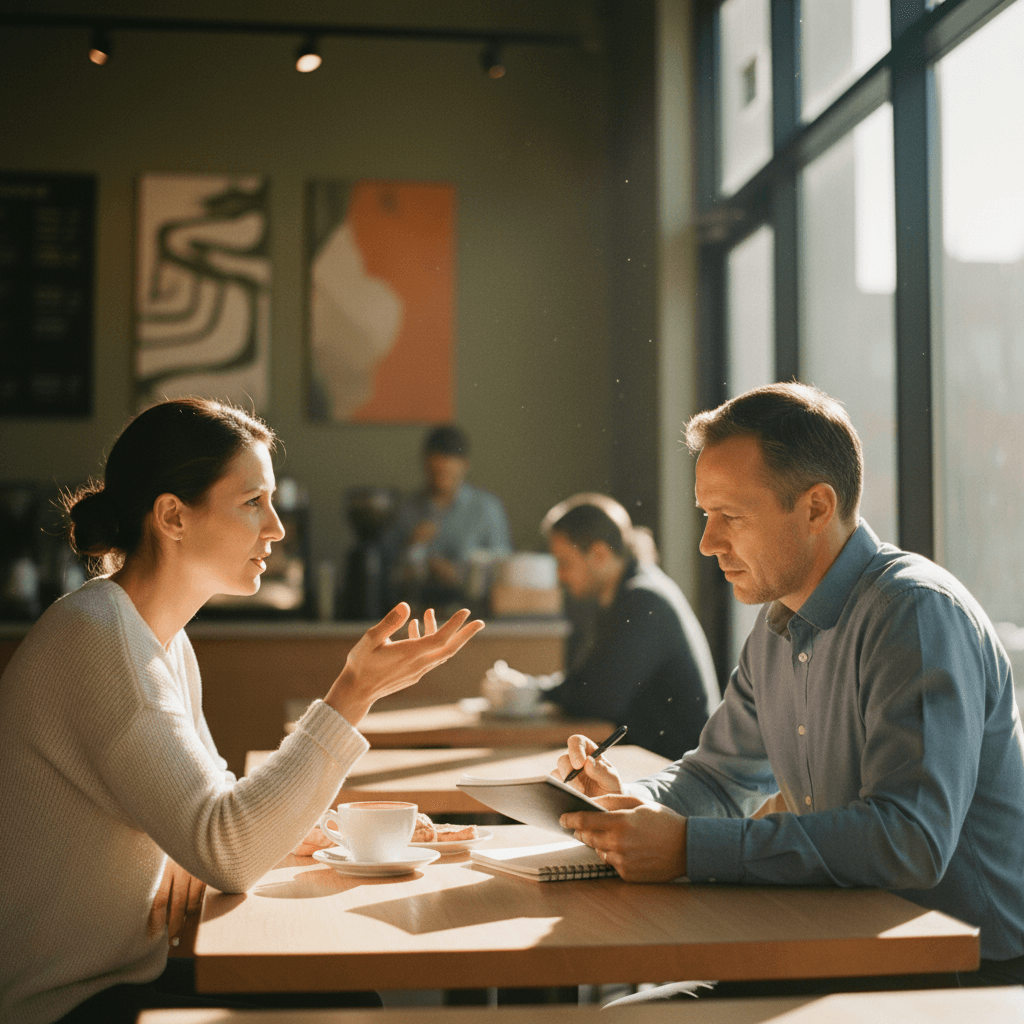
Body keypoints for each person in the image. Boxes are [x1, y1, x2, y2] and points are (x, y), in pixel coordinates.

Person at [0, 398, 484, 1024]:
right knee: (345, 1013)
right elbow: (226, 846)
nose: (277, 527)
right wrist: (352, 694)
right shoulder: (99, 639)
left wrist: (334, 837)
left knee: (345, 998)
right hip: (61, 1006)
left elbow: (214, 815)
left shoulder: (158, 638)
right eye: (253, 501)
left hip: (119, 979)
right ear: (173, 516)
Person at [556, 382, 1024, 995]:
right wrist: (634, 801)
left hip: (961, 973)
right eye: (706, 516)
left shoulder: (913, 614)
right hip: (851, 945)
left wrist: (690, 849)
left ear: (815, 507)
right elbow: (718, 778)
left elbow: (909, 841)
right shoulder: (777, 626)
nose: (707, 543)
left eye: (732, 517)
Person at [529, 497, 720, 759]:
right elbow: (591, 681)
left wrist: (535, 692)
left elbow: (598, 699)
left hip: (676, 772)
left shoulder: (643, 600)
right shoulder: (627, 593)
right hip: (659, 761)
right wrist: (537, 690)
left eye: (564, 563)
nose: (559, 576)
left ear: (599, 554)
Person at [382, 424, 512, 612]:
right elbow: (387, 571)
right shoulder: (406, 511)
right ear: (425, 465)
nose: (440, 480)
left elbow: (504, 566)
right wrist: (411, 543)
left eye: (448, 474)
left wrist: (459, 573)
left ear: (465, 465)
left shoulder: (487, 508)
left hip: (475, 613)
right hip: (417, 611)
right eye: (434, 473)